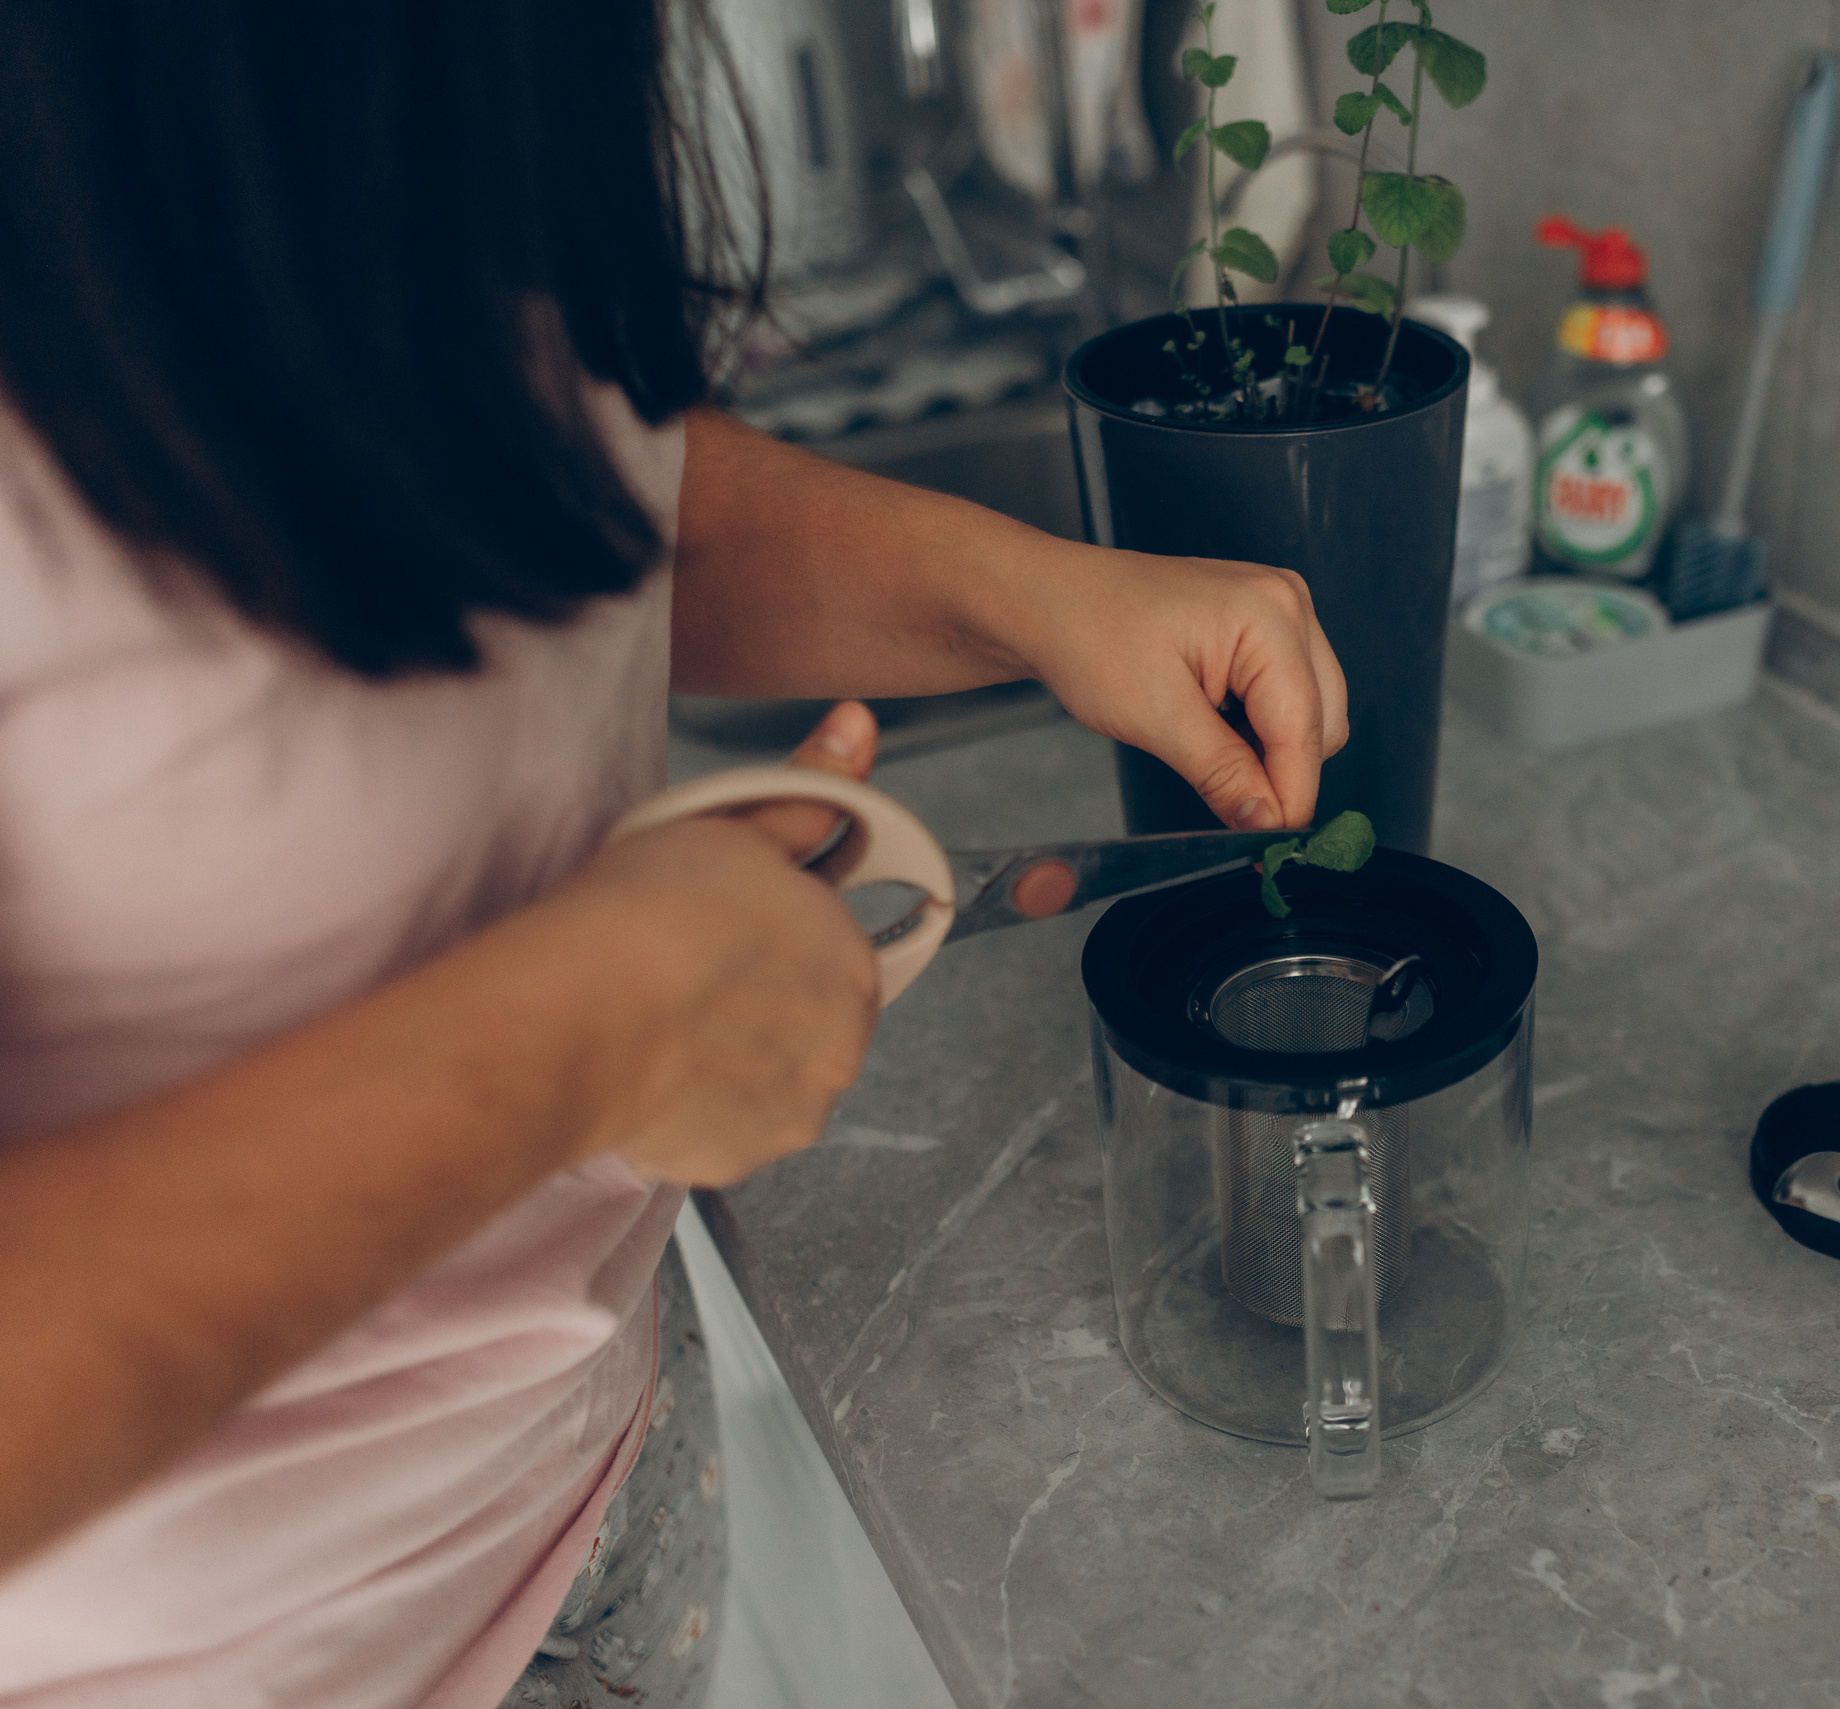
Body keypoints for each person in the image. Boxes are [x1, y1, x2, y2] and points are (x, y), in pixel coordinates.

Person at [0, 3, 1347, 1704]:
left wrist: (1024, 589)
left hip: (599, 1485)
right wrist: (582, 1030)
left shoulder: (369, 101)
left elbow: (541, 485)